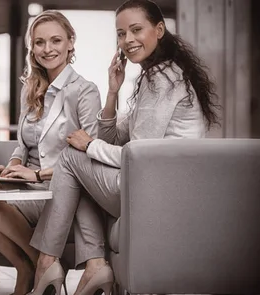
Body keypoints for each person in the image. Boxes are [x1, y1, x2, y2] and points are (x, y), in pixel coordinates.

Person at [28, 0, 221, 295]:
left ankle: (48, 262)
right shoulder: (158, 76)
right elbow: (116, 139)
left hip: (152, 191)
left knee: (70, 159)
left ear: (159, 30)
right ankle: (94, 268)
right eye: (121, 34)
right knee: (78, 171)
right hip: (154, 186)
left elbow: (137, 157)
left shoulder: (163, 81)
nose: (128, 40)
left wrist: (89, 145)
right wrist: (113, 92)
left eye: (136, 30)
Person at [0, 10, 102, 295]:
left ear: (71, 43)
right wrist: (12, 165)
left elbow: (88, 158)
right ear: (32, 47)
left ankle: (37, 266)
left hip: (58, 188)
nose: (48, 49)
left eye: (56, 41)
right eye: (40, 43)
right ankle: (27, 263)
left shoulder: (85, 91)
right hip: (25, 182)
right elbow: (23, 145)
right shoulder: (31, 89)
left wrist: (34, 173)